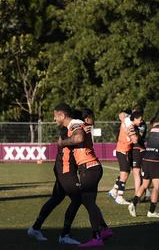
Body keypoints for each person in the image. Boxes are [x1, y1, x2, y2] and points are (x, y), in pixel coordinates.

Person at [57, 103, 111, 248]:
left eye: (56, 115)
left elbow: (79, 138)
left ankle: (97, 237)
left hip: (89, 167)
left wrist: (63, 143)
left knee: (88, 202)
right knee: (88, 201)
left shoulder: (75, 124)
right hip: (91, 167)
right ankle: (104, 230)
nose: (54, 118)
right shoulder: (79, 124)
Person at [128, 112, 159, 218]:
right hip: (155, 160)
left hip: (146, 159)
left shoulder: (152, 129)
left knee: (145, 184)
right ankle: (151, 211)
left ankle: (133, 203)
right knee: (157, 186)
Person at [108, 110, 143, 205]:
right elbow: (135, 140)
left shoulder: (126, 120)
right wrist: (138, 135)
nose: (141, 121)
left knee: (124, 173)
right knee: (124, 174)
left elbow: (121, 114)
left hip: (121, 150)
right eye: (140, 119)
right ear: (134, 119)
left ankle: (114, 191)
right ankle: (119, 197)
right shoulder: (130, 126)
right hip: (124, 151)